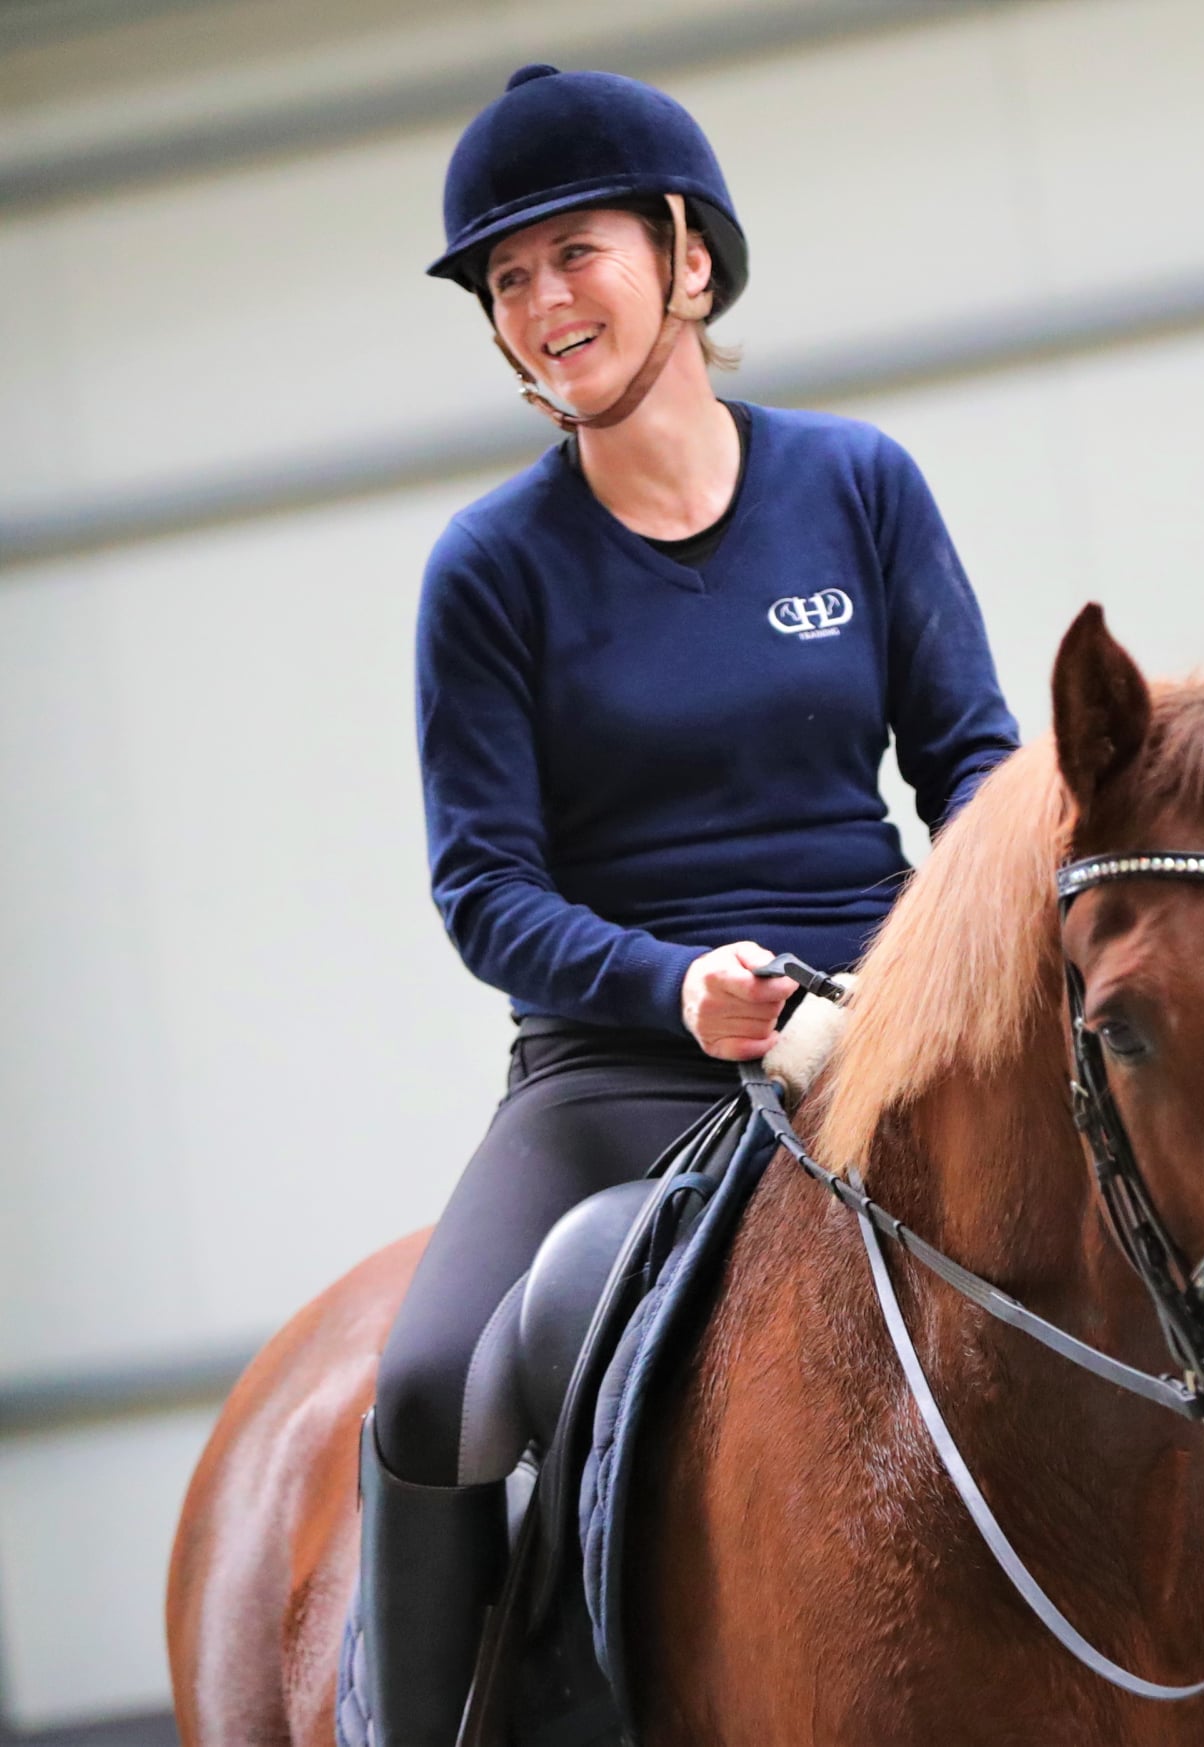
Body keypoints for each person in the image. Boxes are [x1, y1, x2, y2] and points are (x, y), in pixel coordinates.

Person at [356, 63, 1020, 1744]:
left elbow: (976, 777)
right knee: (430, 1385)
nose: (539, 304)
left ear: (687, 263)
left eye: (571, 255)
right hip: (614, 1072)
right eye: (505, 282)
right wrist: (675, 991)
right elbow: (484, 889)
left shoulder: (857, 487)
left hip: (869, 1030)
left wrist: (982, 964)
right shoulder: (490, 570)